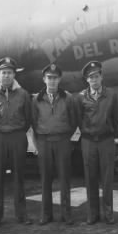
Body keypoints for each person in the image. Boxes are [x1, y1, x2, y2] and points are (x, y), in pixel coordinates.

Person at [0, 57, 33, 228]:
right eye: (3, 73)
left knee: (19, 176)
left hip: (17, 137)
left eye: (9, 73)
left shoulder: (23, 94)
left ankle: (22, 214)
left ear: (14, 75)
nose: (6, 76)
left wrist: (17, 130)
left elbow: (28, 118)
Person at [32, 64, 77, 225]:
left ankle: (66, 214)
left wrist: (65, 137)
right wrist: (37, 145)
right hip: (44, 141)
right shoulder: (36, 99)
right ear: (44, 79)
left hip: (62, 141)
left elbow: (74, 121)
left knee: (65, 178)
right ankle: (46, 214)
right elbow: (33, 123)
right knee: (45, 179)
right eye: (49, 78)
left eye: (55, 78)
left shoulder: (68, 98)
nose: (52, 81)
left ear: (60, 79)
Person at [76, 61, 118, 225]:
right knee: (90, 178)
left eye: (96, 76)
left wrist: (108, 131)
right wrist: (88, 132)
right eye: (90, 77)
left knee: (107, 178)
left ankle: (108, 213)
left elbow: (116, 119)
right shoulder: (81, 97)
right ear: (87, 80)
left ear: (101, 77)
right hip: (88, 142)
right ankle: (93, 214)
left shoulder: (111, 95)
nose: (94, 80)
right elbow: (78, 119)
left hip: (106, 141)